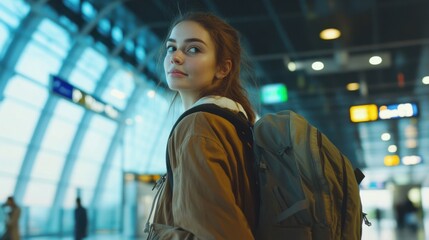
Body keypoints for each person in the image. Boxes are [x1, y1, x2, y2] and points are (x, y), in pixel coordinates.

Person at [149, 12, 257, 239]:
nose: (175, 57)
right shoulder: (235, 123)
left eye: (193, 49)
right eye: (171, 47)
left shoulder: (198, 126)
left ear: (223, 68)